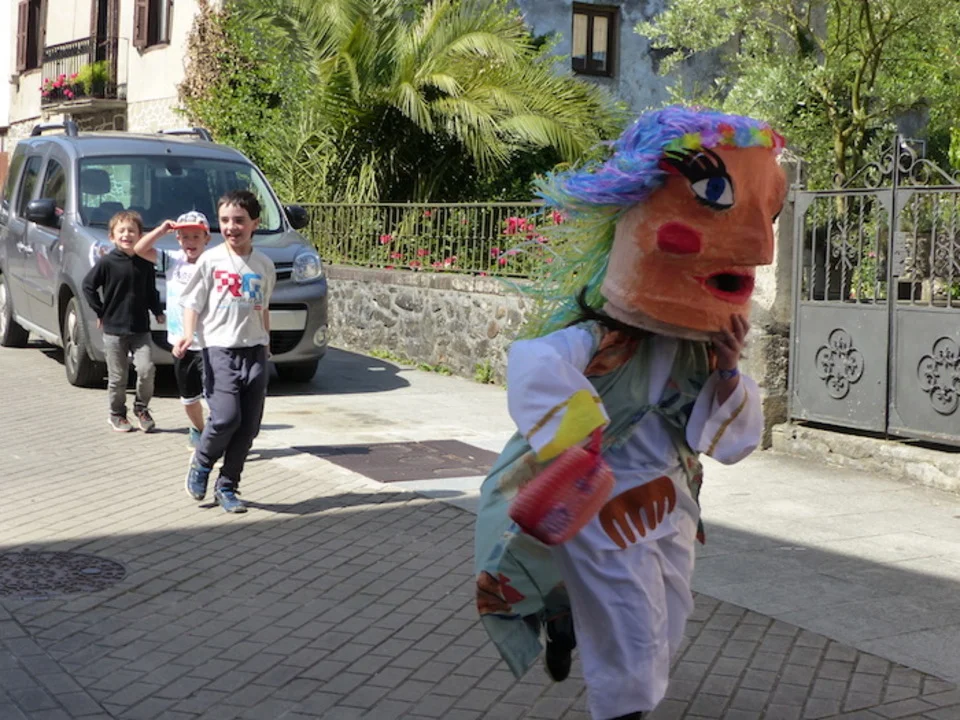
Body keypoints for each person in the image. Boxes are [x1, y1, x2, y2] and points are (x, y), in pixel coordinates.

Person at [474, 106, 788, 719]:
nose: (761, 247)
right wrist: (582, 439)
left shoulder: (702, 354)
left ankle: (569, 623)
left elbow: (729, 441)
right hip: (599, 503)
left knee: (668, 623)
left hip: (671, 505)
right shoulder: (596, 340)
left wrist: (728, 369)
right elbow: (534, 365)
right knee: (633, 636)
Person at [174, 190, 275, 514]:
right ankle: (202, 462)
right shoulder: (211, 260)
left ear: (255, 223)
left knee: (249, 427)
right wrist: (188, 334)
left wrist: (266, 342)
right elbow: (192, 303)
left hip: (255, 350)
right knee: (227, 417)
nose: (232, 227)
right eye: (225, 220)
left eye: (239, 220)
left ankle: (227, 486)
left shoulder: (264, 264)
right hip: (219, 348)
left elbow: (263, 307)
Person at [82, 210, 165, 433]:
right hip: (114, 329)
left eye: (132, 231)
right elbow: (88, 286)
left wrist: (157, 311)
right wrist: (100, 311)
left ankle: (142, 408)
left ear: (140, 236)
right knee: (118, 377)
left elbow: (151, 291)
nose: (126, 235)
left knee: (146, 369)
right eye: (121, 231)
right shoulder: (106, 262)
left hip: (140, 329)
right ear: (112, 236)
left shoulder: (145, 262)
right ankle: (117, 413)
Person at [134, 211, 212, 448]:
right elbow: (139, 249)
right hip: (180, 343)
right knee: (189, 398)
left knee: (216, 396)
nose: (190, 242)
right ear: (178, 239)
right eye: (185, 237)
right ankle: (199, 429)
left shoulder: (213, 263)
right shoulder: (172, 260)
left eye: (196, 236)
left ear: (206, 238)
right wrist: (160, 231)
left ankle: (216, 437)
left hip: (209, 342)